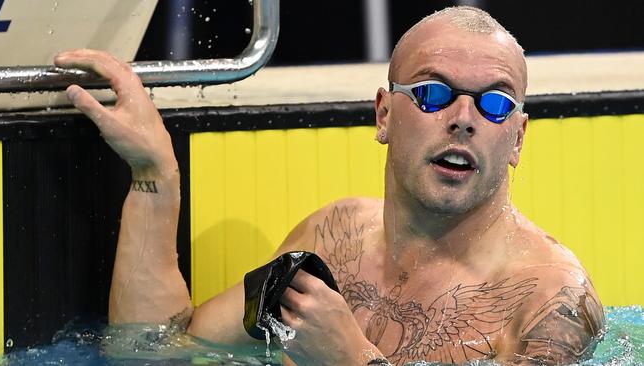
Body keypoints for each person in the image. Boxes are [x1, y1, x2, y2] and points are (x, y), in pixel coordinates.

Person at [54, 6, 604, 366]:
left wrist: (352, 359)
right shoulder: (335, 239)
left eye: (495, 102)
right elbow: (157, 350)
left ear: (517, 138)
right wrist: (155, 177)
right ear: (384, 115)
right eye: (433, 94)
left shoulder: (551, 303)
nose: (464, 118)